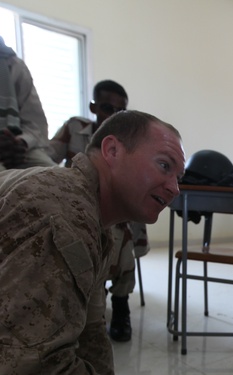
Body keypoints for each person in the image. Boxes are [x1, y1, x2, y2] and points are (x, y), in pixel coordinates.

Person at [0, 110, 185, 373]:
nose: (174, 188)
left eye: (178, 177)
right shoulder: (58, 212)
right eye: (164, 165)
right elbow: (25, 366)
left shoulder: (93, 219)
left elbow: (90, 333)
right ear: (112, 150)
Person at [49, 79, 148, 342]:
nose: (112, 115)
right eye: (106, 107)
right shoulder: (75, 128)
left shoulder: (129, 143)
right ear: (94, 106)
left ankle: (120, 302)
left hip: (112, 210)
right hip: (75, 203)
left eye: (119, 111)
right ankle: (90, 300)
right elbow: (46, 156)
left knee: (120, 229)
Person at [0, 0, 55, 176]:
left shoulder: (14, 63)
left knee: (56, 177)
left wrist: (20, 143)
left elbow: (35, 123)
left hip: (12, 144)